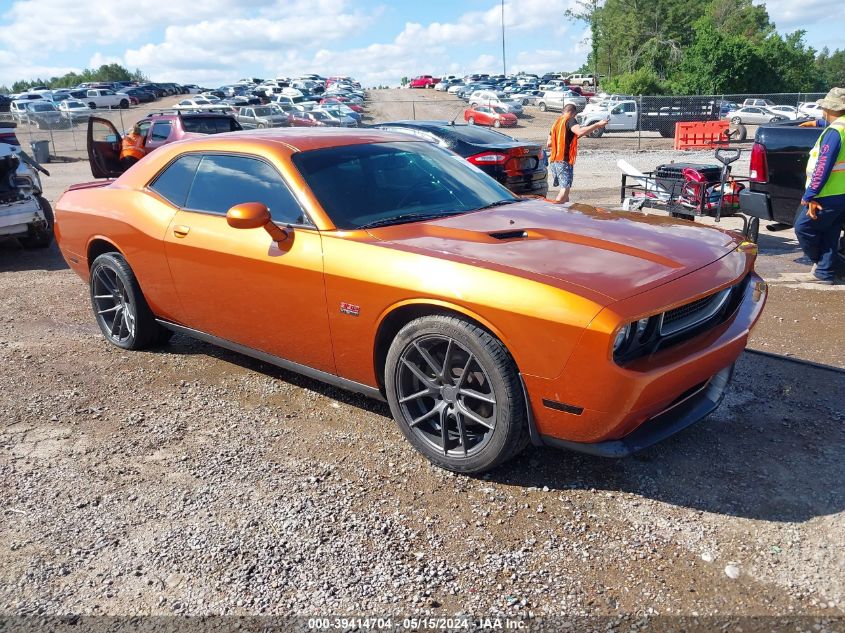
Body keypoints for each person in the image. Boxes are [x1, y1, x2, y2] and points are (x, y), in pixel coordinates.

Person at [793, 87, 845, 285]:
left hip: (827, 195)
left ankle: (833, 267)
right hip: (841, 194)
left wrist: (810, 194)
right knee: (829, 233)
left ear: (828, 108)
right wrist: (817, 123)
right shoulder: (840, 126)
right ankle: (824, 273)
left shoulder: (834, 133)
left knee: (803, 228)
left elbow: (823, 166)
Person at [546, 104, 608, 204]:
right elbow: (579, 132)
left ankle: (565, 213)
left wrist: (568, 139)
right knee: (564, 189)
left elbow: (549, 143)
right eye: (575, 115)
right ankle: (555, 212)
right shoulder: (570, 120)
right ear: (573, 113)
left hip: (554, 161)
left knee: (566, 190)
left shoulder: (556, 123)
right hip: (564, 160)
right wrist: (597, 125)